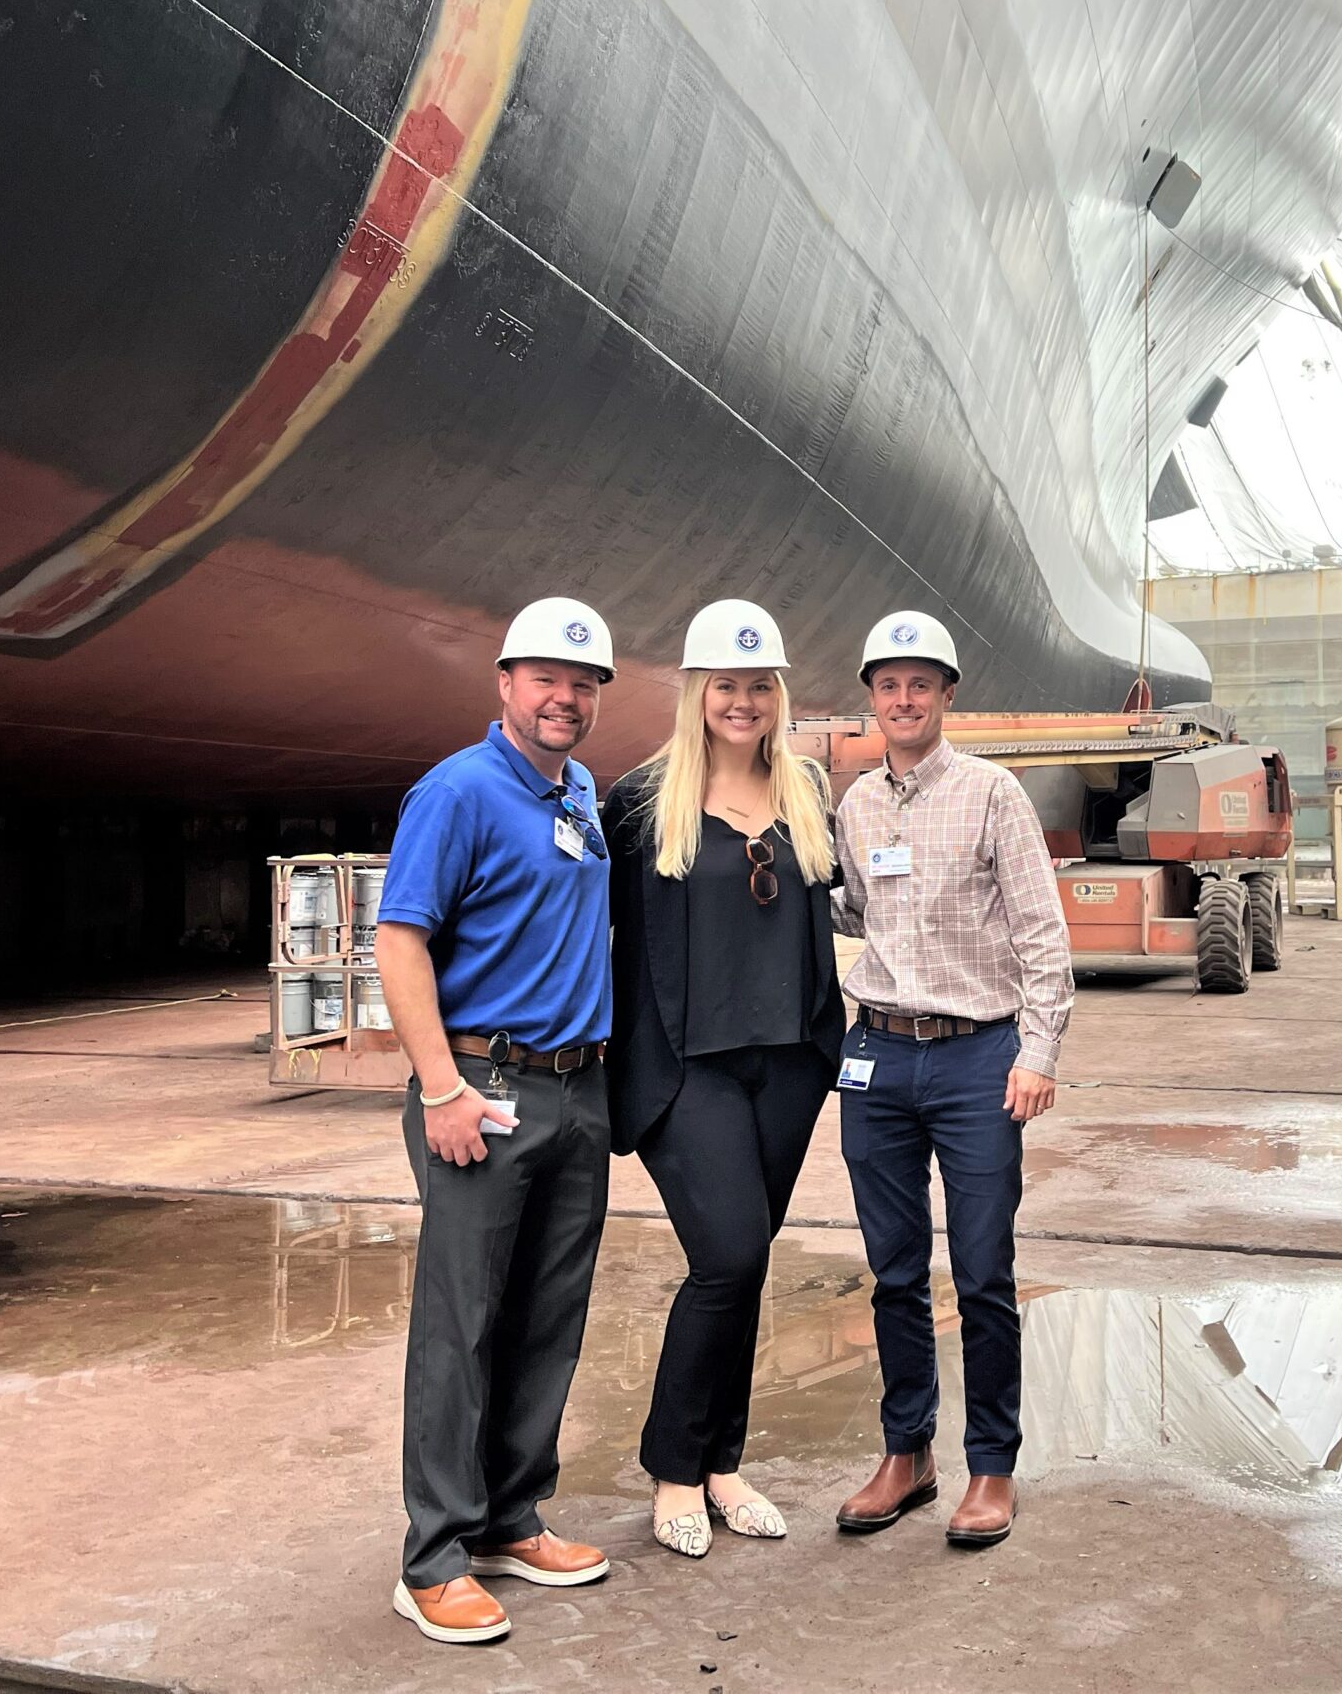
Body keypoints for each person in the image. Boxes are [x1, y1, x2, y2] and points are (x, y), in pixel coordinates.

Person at [375, 597, 618, 1644]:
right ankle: (431, 1557)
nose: (564, 697)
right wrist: (440, 1088)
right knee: (460, 1327)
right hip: (486, 1086)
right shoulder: (459, 790)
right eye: (545, 678)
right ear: (504, 684)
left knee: (544, 1320)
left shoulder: (582, 793)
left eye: (583, 683)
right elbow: (398, 939)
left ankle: (509, 1517)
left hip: (577, 1094)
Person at [602, 599, 845, 1558]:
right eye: (724, 688)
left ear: (777, 696)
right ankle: (672, 1468)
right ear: (696, 694)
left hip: (786, 1064)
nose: (741, 703)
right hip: (684, 1070)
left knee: (746, 1268)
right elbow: (593, 931)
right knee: (730, 1257)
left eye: (757, 688)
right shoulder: (638, 802)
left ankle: (722, 1463)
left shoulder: (807, 790)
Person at [830, 609, 1072, 1549]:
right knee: (893, 1271)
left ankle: (991, 1465)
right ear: (872, 697)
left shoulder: (991, 794)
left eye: (919, 684)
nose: (903, 698)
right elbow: (852, 903)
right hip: (879, 1055)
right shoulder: (854, 805)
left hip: (978, 1057)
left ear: (946, 694)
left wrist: (1038, 1051)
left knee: (981, 1273)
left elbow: (1041, 930)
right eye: (888, 685)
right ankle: (907, 1454)